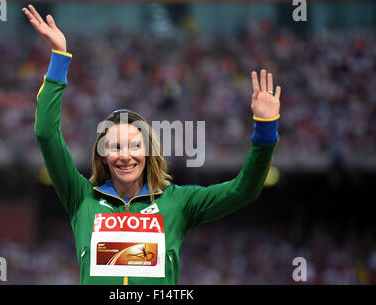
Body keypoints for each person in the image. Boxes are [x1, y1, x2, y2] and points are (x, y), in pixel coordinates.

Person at [22, 4, 281, 285]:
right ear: (103, 155)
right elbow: (47, 133)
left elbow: (244, 190)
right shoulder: (81, 199)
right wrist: (59, 56)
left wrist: (265, 130)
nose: (125, 156)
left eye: (135, 146)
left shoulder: (178, 202)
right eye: (115, 147)